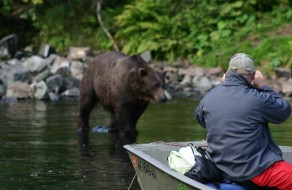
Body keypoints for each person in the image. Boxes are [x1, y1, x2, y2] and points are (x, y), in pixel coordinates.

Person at [195, 53, 292, 189]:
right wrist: (264, 86)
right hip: (255, 171)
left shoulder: (208, 97)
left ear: (227, 75)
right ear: (253, 76)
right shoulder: (257, 98)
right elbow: (284, 111)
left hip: (221, 167)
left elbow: (201, 120)